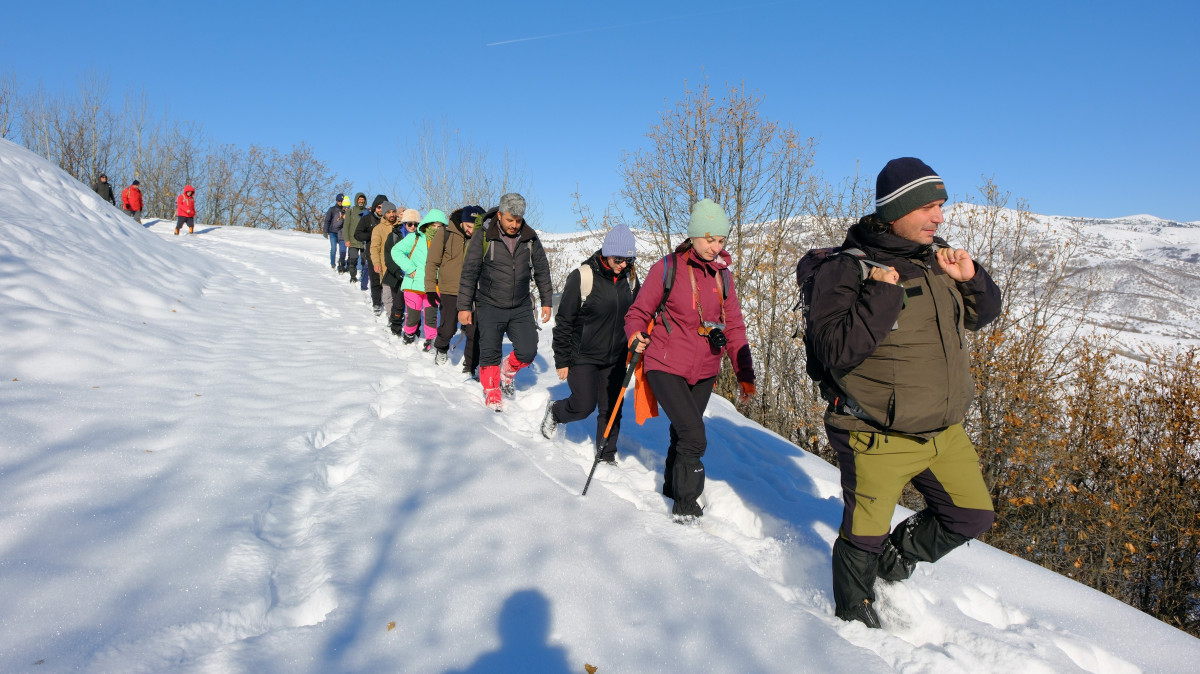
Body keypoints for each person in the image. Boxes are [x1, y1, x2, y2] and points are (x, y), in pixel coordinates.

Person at [808, 157, 1001, 628]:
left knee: (971, 515)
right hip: (876, 433)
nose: (940, 217)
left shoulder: (937, 258)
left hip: (943, 430)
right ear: (897, 210)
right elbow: (833, 349)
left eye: (941, 206)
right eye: (929, 207)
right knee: (861, 538)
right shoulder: (848, 269)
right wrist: (880, 296)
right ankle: (853, 623)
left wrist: (971, 278)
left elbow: (982, 315)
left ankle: (894, 562)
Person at [625, 199, 756, 520]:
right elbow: (638, 312)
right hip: (665, 364)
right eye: (710, 239)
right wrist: (634, 334)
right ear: (694, 236)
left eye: (721, 240)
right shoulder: (667, 268)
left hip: (705, 370)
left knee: (682, 433)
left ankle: (671, 487)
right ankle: (685, 506)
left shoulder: (723, 277)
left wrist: (745, 372)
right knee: (694, 435)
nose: (715, 246)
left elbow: (735, 326)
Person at [541, 224, 640, 464]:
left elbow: (640, 313)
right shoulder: (583, 276)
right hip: (583, 355)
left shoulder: (631, 281)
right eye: (619, 258)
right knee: (583, 405)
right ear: (606, 253)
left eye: (628, 259)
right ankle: (556, 412)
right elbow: (564, 321)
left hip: (615, 357)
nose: (623, 264)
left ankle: (606, 456)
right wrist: (562, 359)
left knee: (611, 409)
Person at [457, 193, 553, 411]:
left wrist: (546, 300)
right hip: (490, 304)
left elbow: (542, 270)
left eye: (518, 221)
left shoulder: (529, 238)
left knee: (528, 350)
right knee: (490, 351)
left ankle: (508, 370)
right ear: (499, 215)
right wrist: (464, 306)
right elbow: (469, 272)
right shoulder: (483, 236)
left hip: (520, 305)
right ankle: (492, 390)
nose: (514, 225)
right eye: (510, 220)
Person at [426, 205, 483, 375]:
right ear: (462, 222)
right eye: (468, 226)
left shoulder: (482, 237)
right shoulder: (445, 233)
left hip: (473, 291)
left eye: (475, 227)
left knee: (474, 331)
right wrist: (430, 288)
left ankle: (470, 366)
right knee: (448, 327)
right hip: (450, 290)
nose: (471, 231)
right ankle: (441, 349)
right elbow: (432, 262)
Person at [394, 209, 446, 349]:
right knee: (413, 316)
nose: (436, 229)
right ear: (427, 224)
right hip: (413, 284)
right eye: (433, 225)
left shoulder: (445, 241)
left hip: (434, 286)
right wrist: (410, 268)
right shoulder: (415, 237)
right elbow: (396, 251)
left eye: (439, 226)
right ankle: (409, 335)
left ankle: (431, 339)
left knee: (431, 317)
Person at [381, 208, 420, 335]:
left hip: (414, 277)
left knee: (414, 306)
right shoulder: (394, 236)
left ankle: (415, 330)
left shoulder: (421, 238)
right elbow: (389, 257)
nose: (413, 227)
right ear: (404, 223)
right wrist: (398, 272)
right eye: (410, 224)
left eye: (416, 224)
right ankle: (396, 327)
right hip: (397, 276)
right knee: (398, 304)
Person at [358, 195, 389, 313]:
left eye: (383, 207)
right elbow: (358, 234)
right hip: (372, 252)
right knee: (375, 277)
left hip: (387, 253)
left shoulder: (390, 221)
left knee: (386, 279)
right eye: (378, 207)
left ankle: (385, 300)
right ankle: (376, 302)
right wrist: (371, 235)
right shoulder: (367, 219)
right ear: (375, 207)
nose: (380, 209)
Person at [344, 193, 369, 287]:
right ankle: (353, 276)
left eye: (363, 199)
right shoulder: (351, 211)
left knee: (364, 260)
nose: (361, 201)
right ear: (356, 200)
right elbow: (346, 226)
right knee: (353, 259)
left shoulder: (367, 211)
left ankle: (364, 275)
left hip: (363, 241)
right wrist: (346, 239)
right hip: (352, 240)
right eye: (359, 199)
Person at [323, 193, 348, 271]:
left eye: (341, 200)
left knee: (342, 250)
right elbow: (327, 220)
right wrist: (325, 231)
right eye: (339, 200)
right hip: (333, 232)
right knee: (333, 248)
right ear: (337, 200)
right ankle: (333, 264)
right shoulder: (332, 209)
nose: (340, 202)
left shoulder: (346, 210)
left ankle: (342, 263)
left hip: (342, 232)